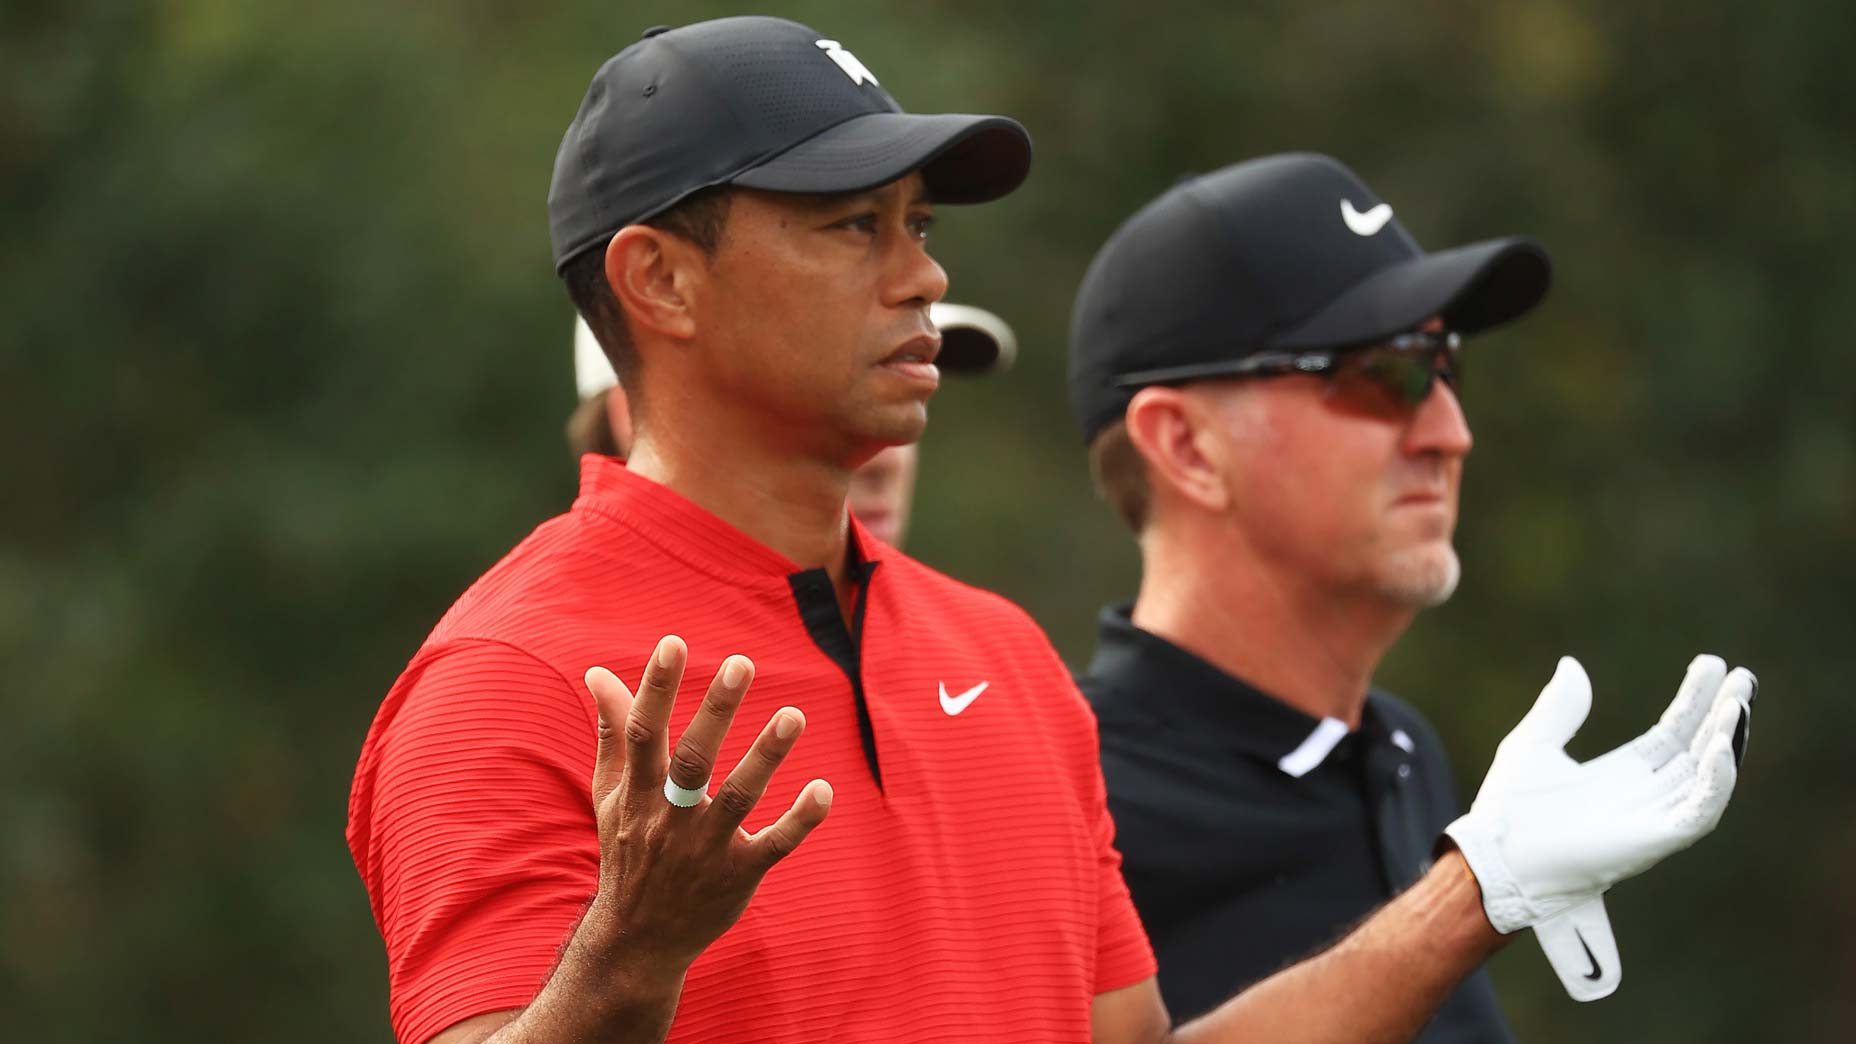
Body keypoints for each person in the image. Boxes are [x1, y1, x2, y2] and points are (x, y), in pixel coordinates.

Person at [345, 18, 1756, 1044]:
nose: (925, 274)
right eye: (853, 227)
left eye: (918, 223)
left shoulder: (1002, 657)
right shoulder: (504, 682)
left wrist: (1477, 892)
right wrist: (623, 968)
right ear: (659, 279)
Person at [1068, 152, 1551, 1036]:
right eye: (1388, 371)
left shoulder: (1400, 750)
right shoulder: (1064, 793)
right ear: (1186, 448)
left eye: (1445, 367)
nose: (1452, 432)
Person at [565, 301, 1017, 547]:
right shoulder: (557, 648)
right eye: (837, 403)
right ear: (643, 416)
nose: (888, 460)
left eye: (909, 395)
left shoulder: (992, 647)